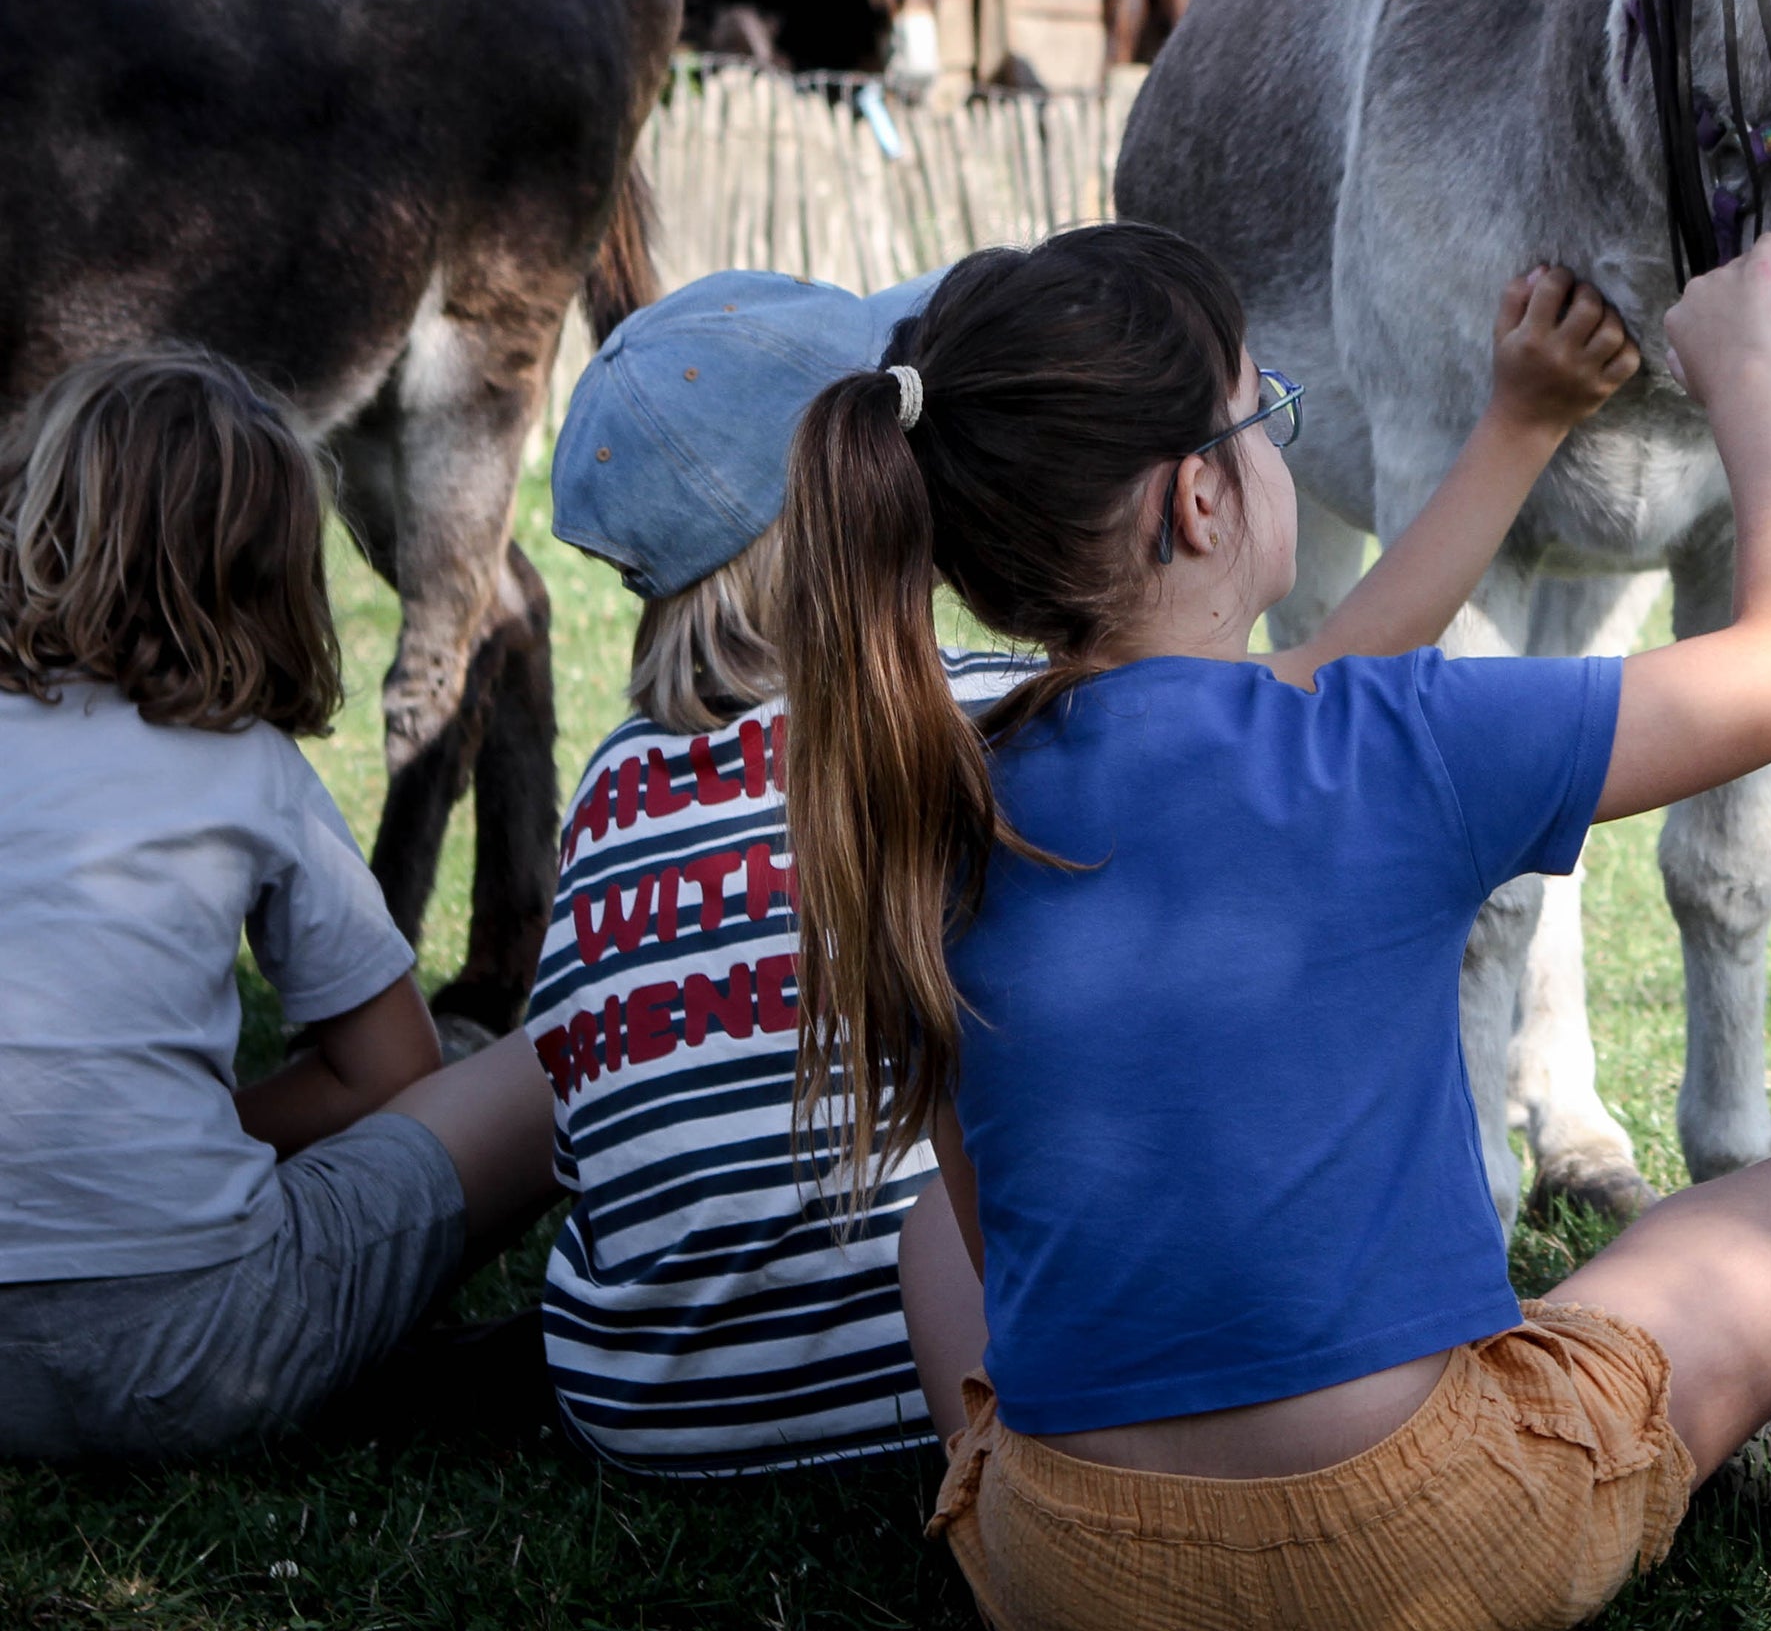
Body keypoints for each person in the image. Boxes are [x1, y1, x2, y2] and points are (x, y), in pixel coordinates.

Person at [776, 220, 1771, 1631]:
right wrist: (1745, 370)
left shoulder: (928, 808)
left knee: (938, 1227)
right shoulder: (1385, 748)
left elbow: (1002, 1253)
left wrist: (1521, 420)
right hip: (1433, 1539)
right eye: (1269, 412)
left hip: (1086, 1573)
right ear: (1199, 498)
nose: (1278, 443)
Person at [510, 259, 1645, 1476]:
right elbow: (1337, 679)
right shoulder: (984, 730)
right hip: (983, 1384)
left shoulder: (610, 793)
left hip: (649, 1419)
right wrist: (1521, 426)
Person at [0, 346, 555, 1459]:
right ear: (272, 571)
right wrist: (216, 1132)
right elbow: (389, 1073)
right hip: (207, 1356)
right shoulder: (247, 766)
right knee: (551, 1064)